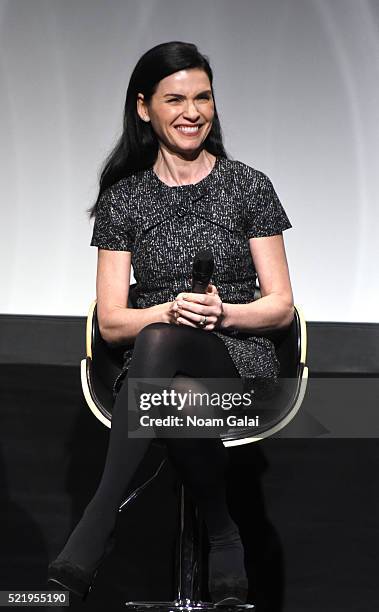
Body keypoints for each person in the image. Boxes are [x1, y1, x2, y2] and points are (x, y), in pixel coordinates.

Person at [47, 40, 294, 604]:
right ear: (144, 109)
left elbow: (280, 304)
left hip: (235, 363)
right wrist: (168, 311)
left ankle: (97, 521)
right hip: (157, 374)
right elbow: (111, 323)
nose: (192, 112)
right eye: (175, 99)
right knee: (166, 359)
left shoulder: (248, 186)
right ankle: (223, 531)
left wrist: (224, 310)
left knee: (166, 358)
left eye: (203, 97)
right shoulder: (124, 199)